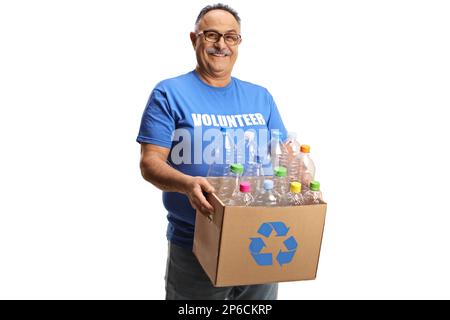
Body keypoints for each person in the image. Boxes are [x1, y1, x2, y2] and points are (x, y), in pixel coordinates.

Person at [137, 3, 287, 300]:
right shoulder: (169, 93)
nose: (221, 45)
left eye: (231, 37)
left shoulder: (261, 97)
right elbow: (150, 163)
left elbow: (284, 155)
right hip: (195, 245)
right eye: (211, 35)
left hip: (262, 239)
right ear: (194, 39)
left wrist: (300, 168)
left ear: (239, 43)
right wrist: (187, 184)